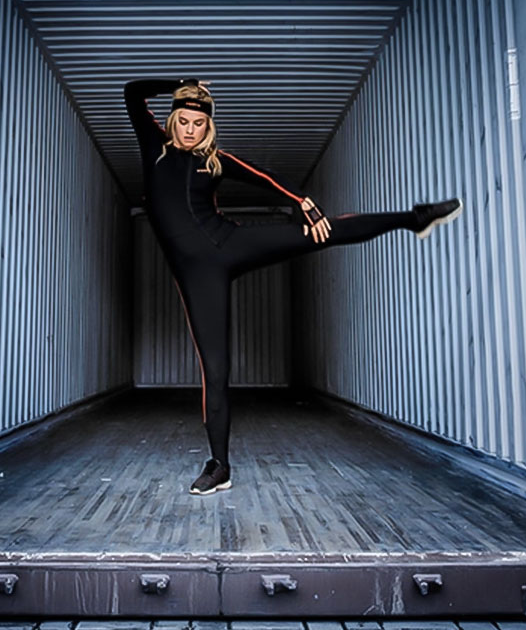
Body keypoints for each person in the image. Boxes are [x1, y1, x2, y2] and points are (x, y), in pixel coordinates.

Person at [124, 77, 462, 495]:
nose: (191, 130)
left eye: (199, 124)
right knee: (215, 371)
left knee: (324, 232)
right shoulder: (153, 147)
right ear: (173, 121)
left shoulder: (215, 161)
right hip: (197, 275)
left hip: (232, 243)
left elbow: (264, 176)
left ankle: (415, 218)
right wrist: (180, 83)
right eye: (184, 122)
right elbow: (132, 91)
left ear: (207, 127)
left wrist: (303, 201)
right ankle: (220, 466)